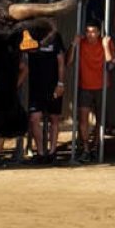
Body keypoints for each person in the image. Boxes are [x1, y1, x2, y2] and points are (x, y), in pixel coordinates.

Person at [68, 17, 115, 162]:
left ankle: (96, 148)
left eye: (93, 32)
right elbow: (68, 62)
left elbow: (111, 66)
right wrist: (73, 45)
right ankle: (86, 149)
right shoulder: (81, 43)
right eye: (88, 32)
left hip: (102, 86)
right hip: (85, 86)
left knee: (100, 121)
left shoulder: (106, 42)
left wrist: (106, 46)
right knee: (83, 120)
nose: (90, 35)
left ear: (99, 32)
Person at [25, 27, 67, 163]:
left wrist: (60, 83)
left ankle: (52, 152)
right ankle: (41, 153)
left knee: (54, 118)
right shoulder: (30, 35)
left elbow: (61, 61)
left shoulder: (56, 36)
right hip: (36, 86)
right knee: (34, 118)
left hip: (53, 85)